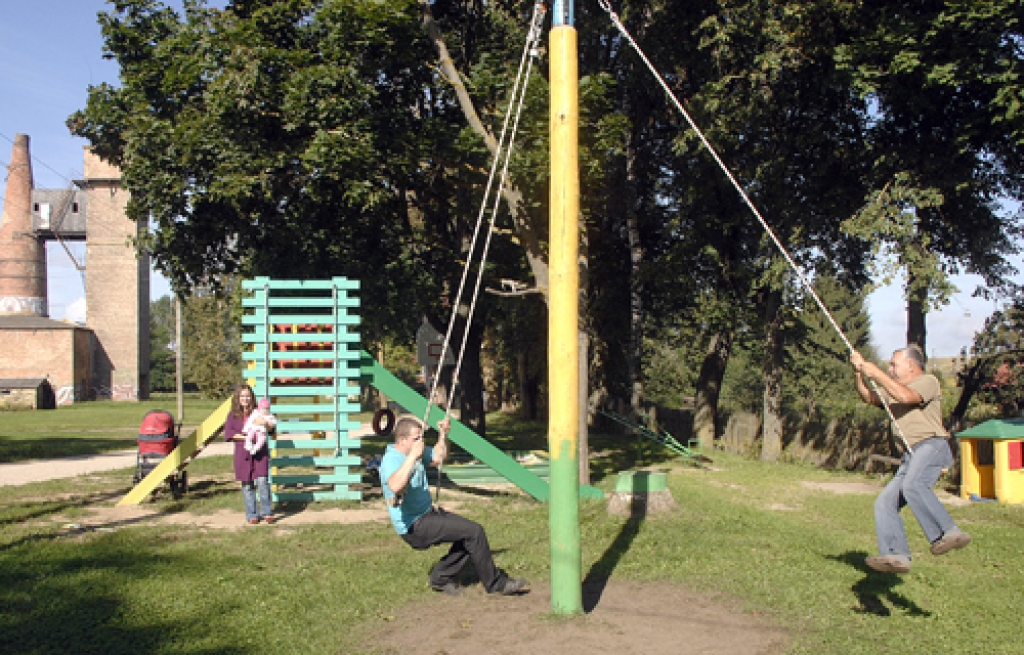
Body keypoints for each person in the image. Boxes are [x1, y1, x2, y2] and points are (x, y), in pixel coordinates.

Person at [851, 346, 971, 574]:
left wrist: (875, 372)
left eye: (894, 364)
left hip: (931, 445)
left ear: (912, 366)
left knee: (913, 485)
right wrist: (858, 372)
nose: (891, 368)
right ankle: (897, 556)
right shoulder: (893, 389)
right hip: (910, 455)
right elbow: (869, 397)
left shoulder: (928, 381)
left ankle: (949, 532)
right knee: (885, 503)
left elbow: (906, 397)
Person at [379, 416, 528, 596]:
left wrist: (443, 435)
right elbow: (395, 486)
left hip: (427, 514)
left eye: (421, 437)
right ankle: (496, 584)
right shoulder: (392, 459)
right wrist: (412, 456)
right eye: (416, 438)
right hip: (414, 526)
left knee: (469, 535)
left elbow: (439, 456)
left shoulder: (414, 451)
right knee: (475, 532)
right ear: (402, 440)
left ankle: (439, 578)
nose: (421, 442)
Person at [225, 384, 276, 525]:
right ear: (238, 398)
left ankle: (267, 512)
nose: (245, 399)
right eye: (242, 396)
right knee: (247, 484)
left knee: (262, 482)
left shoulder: (259, 412)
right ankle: (252, 514)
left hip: (260, 452)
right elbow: (229, 434)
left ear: (251, 397)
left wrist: (265, 424)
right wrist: (247, 437)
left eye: (247, 396)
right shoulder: (233, 415)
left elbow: (272, 428)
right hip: (243, 452)